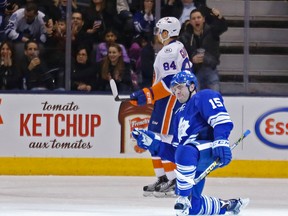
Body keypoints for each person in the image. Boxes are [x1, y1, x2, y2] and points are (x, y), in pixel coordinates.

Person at [132, 71, 250, 215]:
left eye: (180, 87)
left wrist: (221, 141)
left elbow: (221, 120)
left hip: (209, 149)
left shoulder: (203, 96)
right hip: (191, 158)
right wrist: (154, 144)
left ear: (192, 86)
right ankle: (229, 205)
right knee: (193, 209)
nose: (176, 92)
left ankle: (182, 197)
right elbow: (176, 153)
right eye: (174, 89)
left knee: (185, 152)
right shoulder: (177, 115)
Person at [129, 16, 192, 198]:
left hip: (169, 100)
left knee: (162, 139)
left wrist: (148, 94)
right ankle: (163, 178)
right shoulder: (177, 48)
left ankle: (173, 181)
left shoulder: (169, 51)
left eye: (159, 30)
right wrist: (149, 95)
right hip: (167, 99)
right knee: (155, 138)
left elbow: (171, 81)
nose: (157, 34)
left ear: (166, 32)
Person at [179, 8, 227, 91]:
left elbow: (223, 27)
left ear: (203, 19)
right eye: (193, 18)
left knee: (214, 97)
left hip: (210, 68)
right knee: (196, 98)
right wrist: (191, 59)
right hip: (194, 71)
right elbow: (181, 55)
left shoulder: (212, 31)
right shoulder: (185, 37)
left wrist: (219, 16)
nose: (196, 20)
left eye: (198, 17)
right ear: (190, 22)